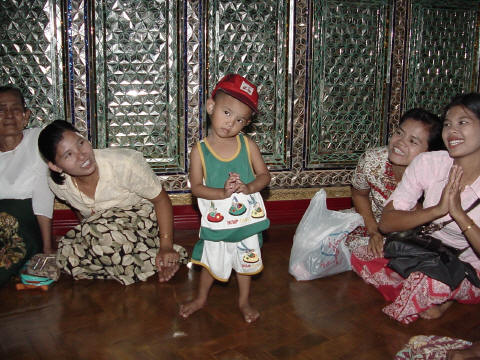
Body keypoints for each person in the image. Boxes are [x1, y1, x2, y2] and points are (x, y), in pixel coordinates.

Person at [38, 120, 187, 285]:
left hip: (144, 220)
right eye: (69, 154)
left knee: (95, 236)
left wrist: (166, 244)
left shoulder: (124, 163)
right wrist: (90, 236)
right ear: (55, 166)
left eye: (81, 143)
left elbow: (161, 200)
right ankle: (153, 260)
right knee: (69, 255)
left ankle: (163, 254)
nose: (82, 155)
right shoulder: (59, 184)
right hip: (104, 231)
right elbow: (79, 208)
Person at [376, 93, 480, 324]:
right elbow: (386, 222)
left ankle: (447, 293)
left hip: (471, 265)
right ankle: (433, 285)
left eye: (463, 122)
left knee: (426, 285)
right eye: (447, 124)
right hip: (429, 250)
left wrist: (459, 214)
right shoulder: (430, 163)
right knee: (363, 251)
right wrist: (436, 210)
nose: (452, 131)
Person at [179, 74, 271, 323]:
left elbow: (264, 176)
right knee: (211, 261)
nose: (231, 123)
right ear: (211, 107)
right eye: (227, 112)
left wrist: (250, 186)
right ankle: (200, 298)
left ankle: (243, 301)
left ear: (247, 123)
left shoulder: (248, 145)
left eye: (240, 119)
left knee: (245, 262)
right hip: (217, 223)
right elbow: (196, 188)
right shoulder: (199, 151)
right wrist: (221, 193)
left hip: (245, 224)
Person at [348, 108, 444, 306]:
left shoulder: (438, 176)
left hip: (420, 237)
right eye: (399, 133)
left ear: (430, 152)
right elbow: (359, 194)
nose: (400, 143)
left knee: (427, 261)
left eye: (413, 141)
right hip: (374, 223)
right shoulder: (373, 160)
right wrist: (374, 231)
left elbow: (434, 227)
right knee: (353, 245)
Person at [0, 85, 54, 286]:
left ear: (26, 115)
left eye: (15, 109)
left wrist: (47, 249)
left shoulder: (38, 140)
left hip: (23, 229)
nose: (8, 115)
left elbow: (43, 194)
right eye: (1, 109)